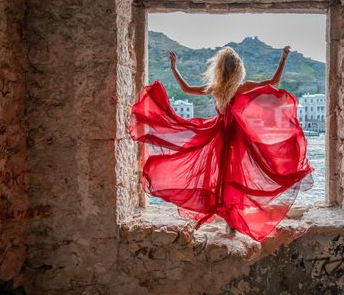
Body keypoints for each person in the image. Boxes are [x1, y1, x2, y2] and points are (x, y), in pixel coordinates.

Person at [129, 45, 314, 242]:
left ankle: (229, 221)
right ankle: (232, 223)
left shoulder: (216, 88)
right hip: (237, 138)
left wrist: (174, 68)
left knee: (222, 179)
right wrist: (283, 58)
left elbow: (186, 89)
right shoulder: (241, 87)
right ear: (238, 69)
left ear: (218, 68)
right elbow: (274, 81)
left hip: (219, 135)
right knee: (236, 179)